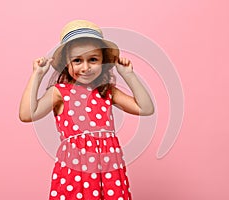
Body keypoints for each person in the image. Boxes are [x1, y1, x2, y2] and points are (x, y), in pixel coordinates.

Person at [19, 20, 154, 200]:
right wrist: (36, 75)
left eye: (93, 59)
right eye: (77, 60)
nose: (86, 67)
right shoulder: (59, 92)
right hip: (76, 170)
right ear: (67, 63)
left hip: (108, 170)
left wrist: (128, 74)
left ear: (103, 61)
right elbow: (27, 114)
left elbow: (146, 108)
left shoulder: (107, 91)